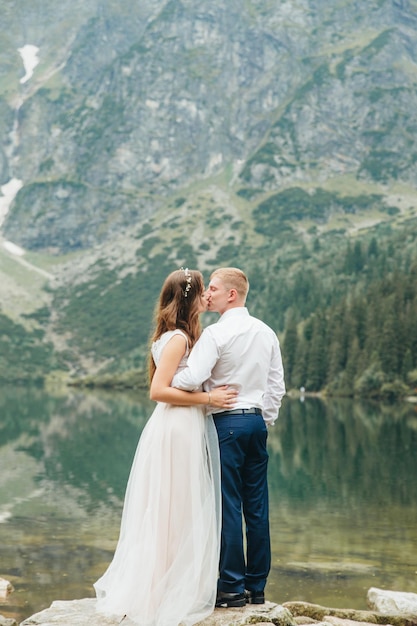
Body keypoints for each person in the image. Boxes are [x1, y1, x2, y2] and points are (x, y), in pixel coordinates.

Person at [94, 268, 238, 626]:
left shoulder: (179, 335)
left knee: (171, 510)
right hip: (177, 427)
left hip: (178, 424)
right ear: (192, 297)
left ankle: (161, 591)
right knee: (173, 512)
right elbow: (158, 390)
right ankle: (159, 597)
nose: (208, 297)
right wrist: (208, 397)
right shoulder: (177, 339)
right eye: (204, 291)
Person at [172, 267, 285, 608]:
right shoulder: (266, 332)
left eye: (215, 289)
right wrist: (262, 419)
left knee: (228, 507)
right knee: (257, 507)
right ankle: (257, 589)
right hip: (255, 425)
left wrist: (169, 374)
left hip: (226, 426)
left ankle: (232, 589)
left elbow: (192, 379)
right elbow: (276, 387)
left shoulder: (217, 334)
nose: (209, 294)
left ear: (231, 295)